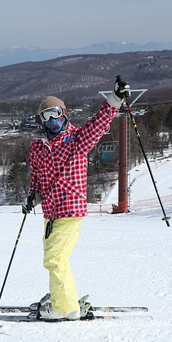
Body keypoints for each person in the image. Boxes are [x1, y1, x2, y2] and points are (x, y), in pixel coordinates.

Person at [22, 77, 131, 320]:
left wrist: (114, 99)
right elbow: (36, 176)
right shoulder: (38, 146)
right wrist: (32, 195)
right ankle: (63, 296)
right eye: (45, 116)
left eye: (55, 113)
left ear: (64, 113)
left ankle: (65, 308)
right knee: (55, 257)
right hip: (51, 212)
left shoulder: (77, 141)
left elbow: (99, 124)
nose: (51, 120)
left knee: (55, 259)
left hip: (70, 209)